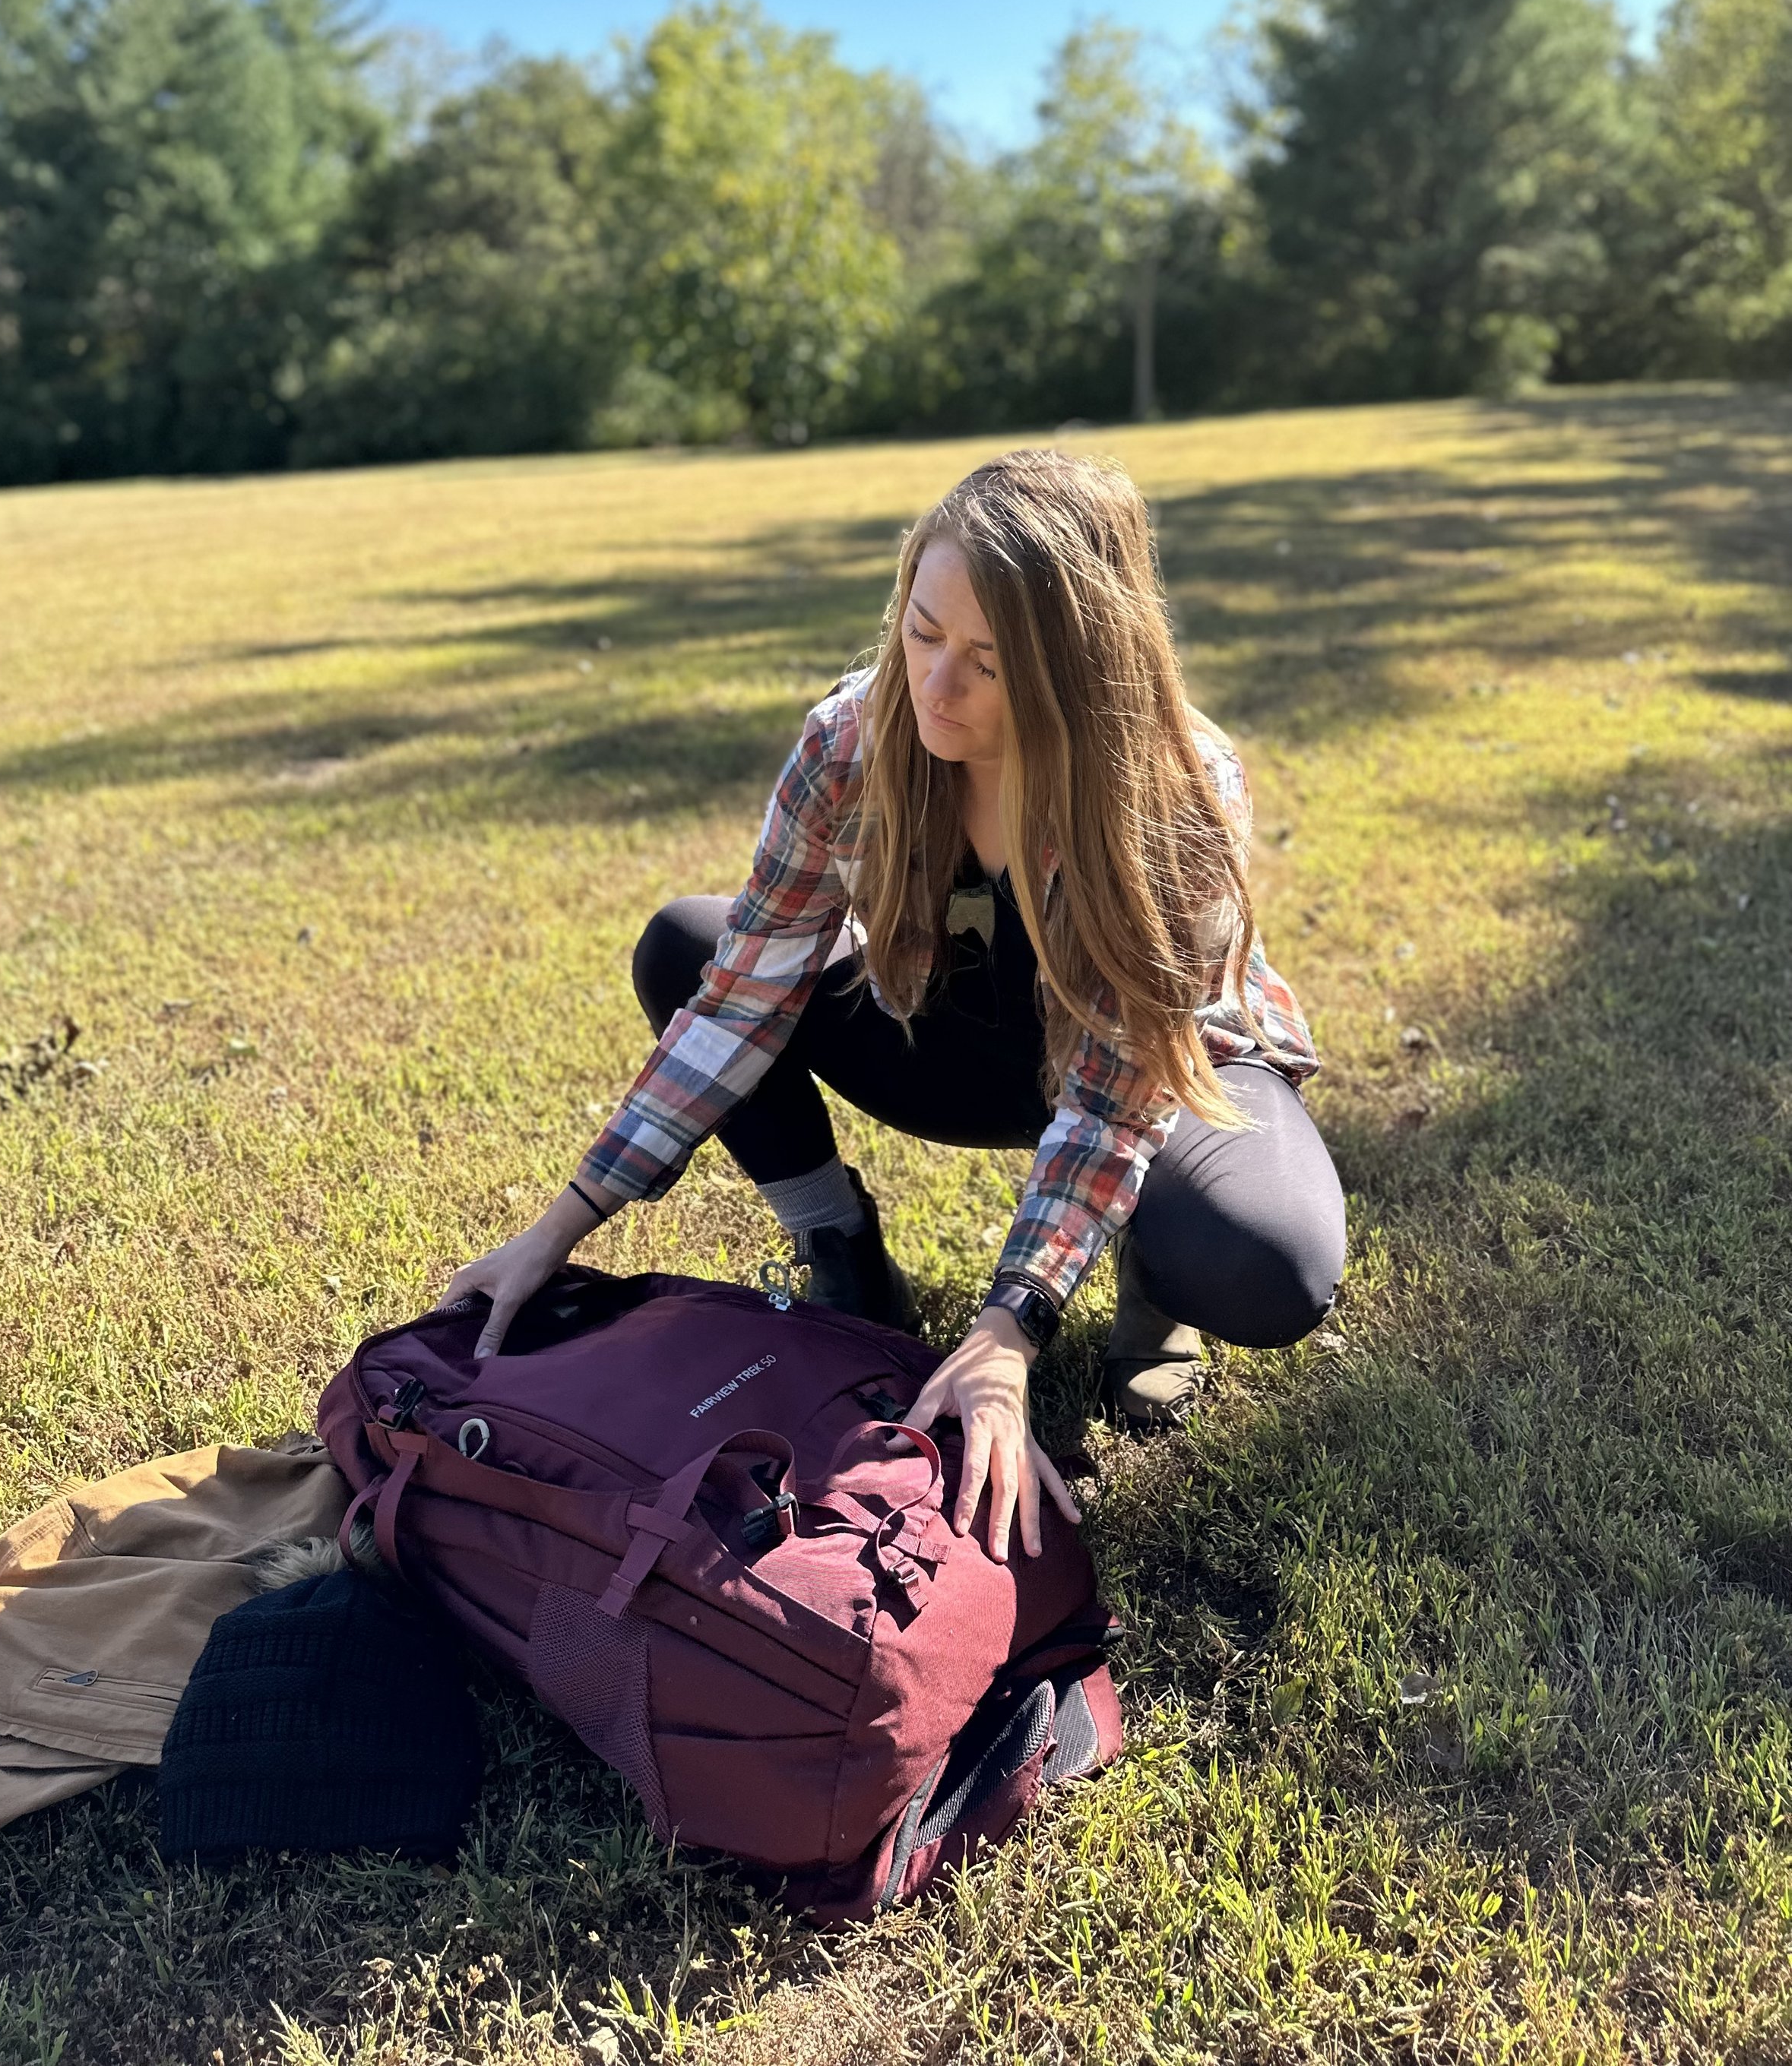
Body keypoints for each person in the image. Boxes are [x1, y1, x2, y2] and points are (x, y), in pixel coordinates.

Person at [445, 450, 1344, 1564]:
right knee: (689, 942)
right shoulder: (851, 742)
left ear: (1076, 665)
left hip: (1163, 1062)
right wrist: (557, 1228)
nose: (936, 686)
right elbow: (737, 1001)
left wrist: (1010, 1322)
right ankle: (844, 1253)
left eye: (987, 661)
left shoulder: (1178, 787)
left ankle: (1154, 1282)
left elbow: (1120, 1093)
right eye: (922, 633)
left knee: (1274, 1262)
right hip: (961, 1033)